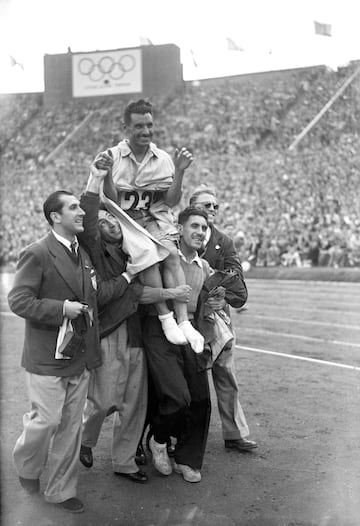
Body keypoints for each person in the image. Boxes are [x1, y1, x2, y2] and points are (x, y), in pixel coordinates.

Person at [78, 163, 191, 483]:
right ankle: (86, 441)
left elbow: (143, 290)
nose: (110, 222)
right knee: (103, 399)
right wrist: (95, 180)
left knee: (134, 402)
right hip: (111, 330)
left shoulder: (135, 251)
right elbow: (88, 220)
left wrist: (166, 290)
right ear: (95, 231)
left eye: (113, 217)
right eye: (103, 221)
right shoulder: (96, 252)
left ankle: (124, 461)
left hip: (136, 333)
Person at [7, 191, 102, 514]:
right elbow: (18, 300)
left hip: (77, 354)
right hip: (47, 356)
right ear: (55, 217)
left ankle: (61, 490)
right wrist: (62, 308)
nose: (81, 213)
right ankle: (27, 467)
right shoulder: (37, 252)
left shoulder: (83, 253)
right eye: (73, 208)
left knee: (71, 428)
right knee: (45, 421)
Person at [95, 98, 204, 354]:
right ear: (126, 128)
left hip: (154, 219)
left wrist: (179, 172)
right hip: (125, 222)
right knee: (149, 255)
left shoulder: (163, 158)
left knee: (172, 253)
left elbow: (171, 201)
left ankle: (184, 321)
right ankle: (166, 318)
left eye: (149, 125)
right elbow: (109, 201)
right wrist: (108, 175)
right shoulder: (112, 157)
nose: (145, 131)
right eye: (139, 126)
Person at [142, 206, 212, 484]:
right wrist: (168, 294)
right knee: (176, 397)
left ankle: (187, 458)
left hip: (191, 330)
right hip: (159, 328)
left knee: (202, 399)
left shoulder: (204, 267)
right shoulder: (161, 254)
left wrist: (216, 303)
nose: (200, 232)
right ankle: (158, 440)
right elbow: (141, 293)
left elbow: (205, 305)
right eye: (194, 226)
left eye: (204, 228)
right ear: (179, 229)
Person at [189, 185, 258, 453]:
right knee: (187, 380)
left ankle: (234, 433)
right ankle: (179, 436)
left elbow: (237, 279)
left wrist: (224, 295)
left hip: (218, 320)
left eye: (215, 206)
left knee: (226, 375)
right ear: (192, 206)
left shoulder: (224, 241)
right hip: (187, 318)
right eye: (207, 205)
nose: (213, 210)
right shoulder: (177, 237)